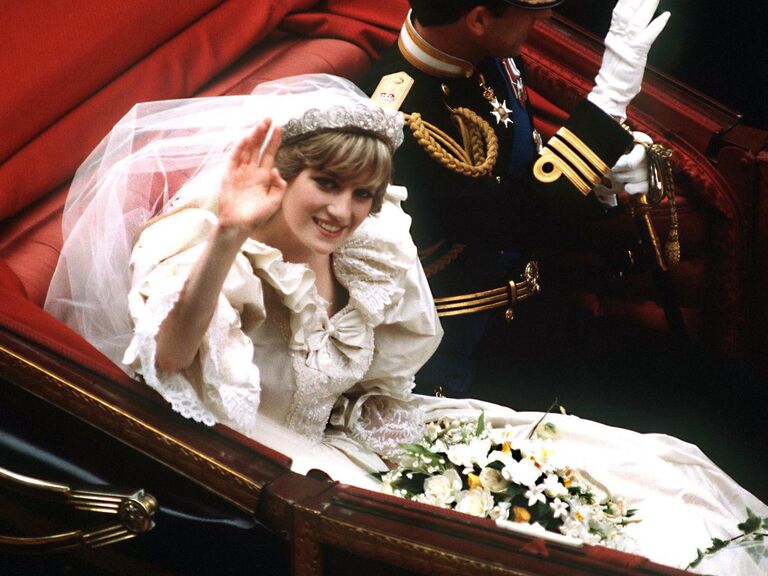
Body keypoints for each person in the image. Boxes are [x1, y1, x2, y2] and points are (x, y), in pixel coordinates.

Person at [45, 74, 766, 574]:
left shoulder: (366, 246)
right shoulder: (206, 253)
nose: (343, 211)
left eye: (361, 192)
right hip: (276, 473)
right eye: (325, 184)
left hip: (356, 432)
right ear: (283, 177)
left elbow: (375, 376)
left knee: (626, 479)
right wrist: (228, 235)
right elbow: (173, 356)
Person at [360, 0, 669, 397]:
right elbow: (516, 219)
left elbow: (521, 174)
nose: (545, 17)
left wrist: (601, 178)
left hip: (535, 314)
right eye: (531, 9)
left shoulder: (487, 56)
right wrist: (608, 102)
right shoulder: (396, 123)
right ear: (479, 19)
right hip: (459, 360)